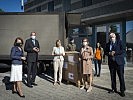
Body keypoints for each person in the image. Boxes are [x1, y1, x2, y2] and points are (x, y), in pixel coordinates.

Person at [105, 32, 126, 97]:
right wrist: (109, 53)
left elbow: (123, 50)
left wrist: (115, 52)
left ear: (115, 37)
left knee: (121, 77)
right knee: (112, 77)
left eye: (113, 36)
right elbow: (105, 52)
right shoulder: (108, 44)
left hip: (119, 63)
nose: (112, 38)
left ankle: (122, 90)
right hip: (111, 63)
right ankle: (114, 89)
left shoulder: (120, 42)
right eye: (110, 37)